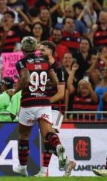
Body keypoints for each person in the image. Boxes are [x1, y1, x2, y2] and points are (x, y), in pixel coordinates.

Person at [13, 36, 67, 177]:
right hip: (44, 102)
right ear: (35, 48)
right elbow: (55, 81)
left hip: (29, 102)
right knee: (48, 133)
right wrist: (41, 86)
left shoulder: (21, 62)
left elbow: (25, 80)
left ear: (23, 49)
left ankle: (22, 167)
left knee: (24, 135)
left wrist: (14, 90)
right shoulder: (45, 62)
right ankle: (58, 146)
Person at [36, 40, 76, 177]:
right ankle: (64, 164)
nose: (40, 53)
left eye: (42, 50)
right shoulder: (42, 68)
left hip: (55, 108)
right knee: (48, 140)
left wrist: (44, 101)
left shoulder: (58, 69)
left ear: (50, 52)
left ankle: (49, 166)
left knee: (49, 136)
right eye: (39, 50)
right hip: (44, 107)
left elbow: (60, 94)